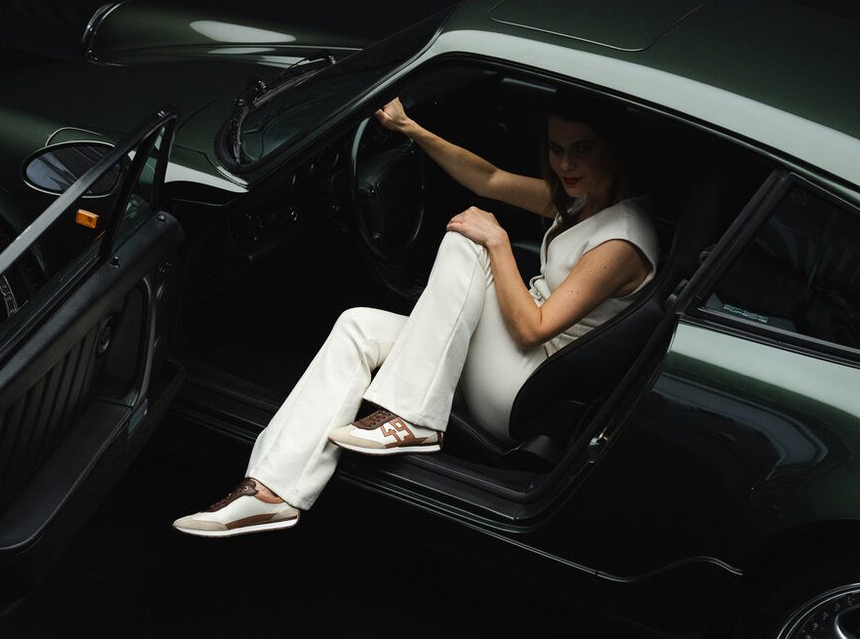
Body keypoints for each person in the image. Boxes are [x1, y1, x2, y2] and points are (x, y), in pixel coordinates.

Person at [171, 89, 659, 537]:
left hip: (523, 388)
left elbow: (534, 329)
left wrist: (498, 242)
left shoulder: (621, 239)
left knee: (471, 241)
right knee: (358, 326)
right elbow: (488, 178)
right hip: (505, 361)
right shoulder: (579, 202)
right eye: (556, 148)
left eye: (582, 150)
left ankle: (414, 418)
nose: (566, 163)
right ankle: (270, 491)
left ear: (613, 150)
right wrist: (410, 129)